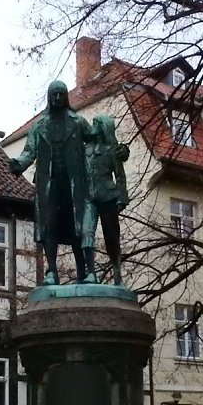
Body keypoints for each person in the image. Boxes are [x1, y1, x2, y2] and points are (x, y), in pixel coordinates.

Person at [8, 80, 91, 285]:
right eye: (54, 94)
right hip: (49, 183)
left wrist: (116, 149)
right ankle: (52, 271)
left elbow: (95, 138)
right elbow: (29, 151)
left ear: (66, 96)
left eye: (61, 94)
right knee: (49, 224)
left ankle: (83, 272)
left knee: (76, 226)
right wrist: (19, 164)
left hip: (73, 182)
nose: (58, 98)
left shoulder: (78, 122)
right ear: (49, 96)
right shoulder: (39, 126)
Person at [82, 114, 128, 285]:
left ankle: (117, 271)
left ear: (103, 128)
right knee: (86, 233)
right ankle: (90, 272)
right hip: (89, 197)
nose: (92, 127)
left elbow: (120, 176)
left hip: (108, 197)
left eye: (95, 124)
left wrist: (122, 198)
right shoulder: (85, 150)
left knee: (112, 237)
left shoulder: (111, 150)